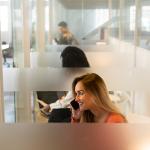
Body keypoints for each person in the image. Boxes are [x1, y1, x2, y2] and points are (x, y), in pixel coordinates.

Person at [42, 46, 90, 113]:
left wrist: (50, 106)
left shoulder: (80, 79)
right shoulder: (86, 75)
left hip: (84, 114)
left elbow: (67, 102)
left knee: (55, 115)